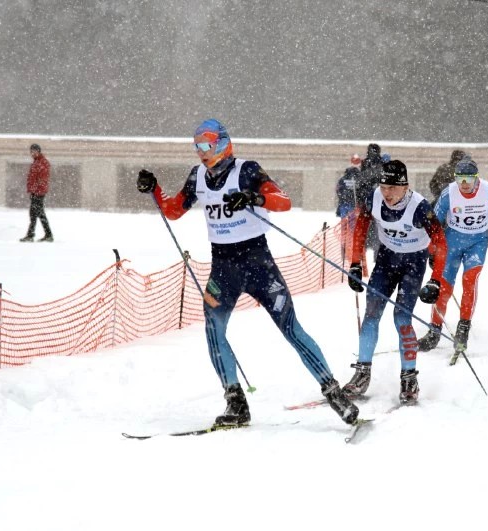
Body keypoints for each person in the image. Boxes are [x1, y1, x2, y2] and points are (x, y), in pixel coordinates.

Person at [135, 119, 358, 427]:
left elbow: (284, 201)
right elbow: (174, 210)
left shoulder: (248, 170)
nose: (202, 152)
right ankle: (235, 402)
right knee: (214, 331)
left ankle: (335, 395)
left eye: (207, 144)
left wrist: (253, 198)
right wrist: (155, 189)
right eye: (197, 145)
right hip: (223, 269)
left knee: (291, 329)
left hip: (258, 265)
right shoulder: (198, 176)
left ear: (223, 143)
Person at [343, 159, 447, 405]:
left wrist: (435, 281)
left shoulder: (420, 207)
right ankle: (362, 372)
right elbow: (360, 228)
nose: (387, 193)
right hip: (387, 259)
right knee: (371, 314)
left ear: (405, 186)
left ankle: (409, 376)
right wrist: (356, 263)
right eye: (383, 186)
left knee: (401, 319)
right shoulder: (374, 197)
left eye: (393, 188)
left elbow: (441, 243)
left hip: (414, 262)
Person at [418, 157, 488, 355]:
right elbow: (434, 224)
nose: (464, 185)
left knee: (469, 281)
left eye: (469, 180)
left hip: (477, 243)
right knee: (443, 288)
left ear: (476, 179)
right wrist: (433, 251)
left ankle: (463, 329)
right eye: (460, 179)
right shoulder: (448, 193)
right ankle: (434, 332)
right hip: (451, 243)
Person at [20, 144, 53, 242]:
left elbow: (42, 179)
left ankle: (34, 235)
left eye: (34, 151)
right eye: (31, 152)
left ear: (39, 151)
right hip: (35, 192)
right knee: (36, 213)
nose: (32, 153)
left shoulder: (42, 163)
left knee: (37, 213)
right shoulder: (36, 162)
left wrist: (36, 190)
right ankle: (46, 234)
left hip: (39, 192)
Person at [356, 143, 383, 255]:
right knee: (379, 227)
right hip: (379, 200)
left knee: (365, 226)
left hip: (366, 200)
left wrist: (359, 198)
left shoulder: (365, 163)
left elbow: (361, 182)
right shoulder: (381, 163)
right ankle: (377, 253)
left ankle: (364, 249)